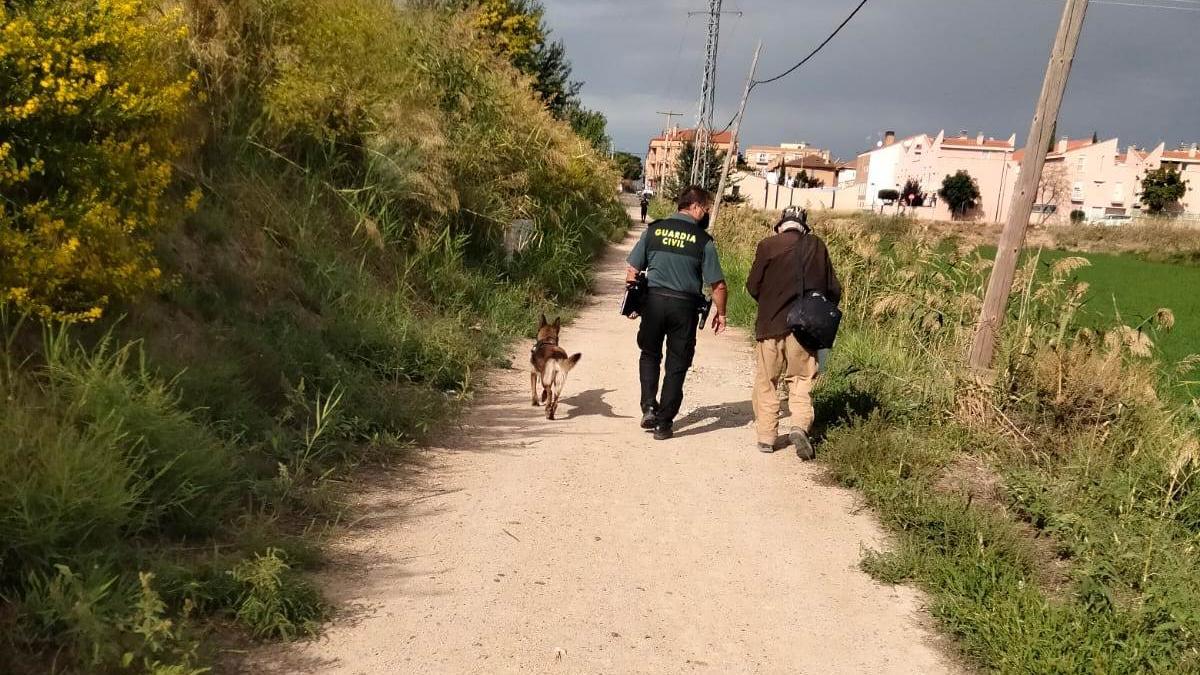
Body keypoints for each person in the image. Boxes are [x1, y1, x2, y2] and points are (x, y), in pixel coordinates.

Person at [626, 185, 727, 440]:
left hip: (654, 302)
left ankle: (649, 406)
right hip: (684, 307)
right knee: (676, 364)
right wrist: (721, 313)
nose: (705, 214)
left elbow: (632, 271)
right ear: (694, 207)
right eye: (704, 209)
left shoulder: (654, 230)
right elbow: (718, 285)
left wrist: (634, 304)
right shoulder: (703, 241)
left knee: (649, 354)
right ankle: (663, 424)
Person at [745, 207, 841, 459]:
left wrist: (769, 303)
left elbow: (752, 286)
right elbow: (834, 290)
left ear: (781, 226)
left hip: (770, 325)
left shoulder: (767, 245)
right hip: (805, 328)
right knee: (801, 380)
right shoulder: (817, 246)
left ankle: (766, 437)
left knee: (767, 381)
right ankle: (799, 425)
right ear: (804, 227)